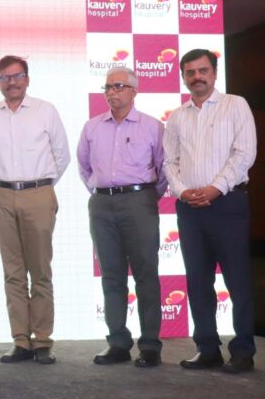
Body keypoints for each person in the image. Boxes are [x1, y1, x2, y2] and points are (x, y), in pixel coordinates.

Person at [163, 49, 257, 373]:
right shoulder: (177, 116)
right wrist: (182, 191)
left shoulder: (236, 105)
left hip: (227, 204)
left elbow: (244, 153)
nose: (197, 77)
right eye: (190, 72)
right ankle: (207, 348)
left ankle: (243, 350)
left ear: (214, 73)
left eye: (203, 70)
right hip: (190, 208)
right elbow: (169, 162)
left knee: (237, 280)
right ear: (183, 77)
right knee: (197, 280)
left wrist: (215, 188)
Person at [77, 67, 166, 368]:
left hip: (139, 202)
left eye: (118, 86)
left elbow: (164, 168)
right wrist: (100, 190)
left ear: (134, 91)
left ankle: (150, 345)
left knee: (146, 274)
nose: (111, 92)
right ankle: (117, 342)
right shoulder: (92, 127)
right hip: (102, 205)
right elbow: (84, 166)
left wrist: (145, 197)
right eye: (107, 87)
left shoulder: (152, 126)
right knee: (111, 275)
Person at [0, 55, 69, 365]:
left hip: (39, 194)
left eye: (17, 76)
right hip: (2, 195)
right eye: (5, 78)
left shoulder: (46, 110)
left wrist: (41, 187)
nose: (12, 82)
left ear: (27, 79)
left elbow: (61, 154)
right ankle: (20, 340)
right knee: (13, 272)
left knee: (40, 271)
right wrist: (0, 178)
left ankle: (42, 340)